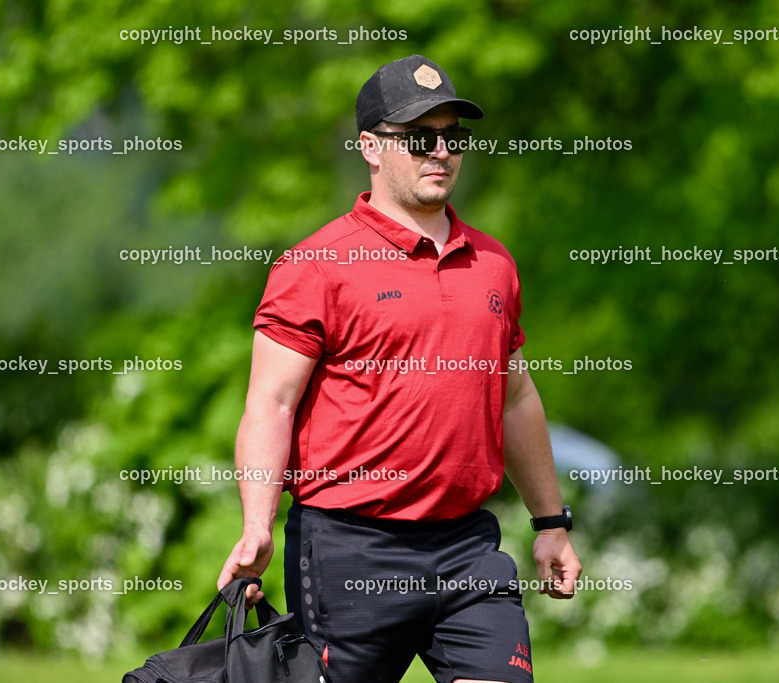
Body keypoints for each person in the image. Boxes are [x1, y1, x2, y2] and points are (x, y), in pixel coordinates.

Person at [218, 54, 581, 683]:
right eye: (419, 138)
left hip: (468, 547)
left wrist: (551, 523)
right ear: (371, 147)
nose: (440, 152)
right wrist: (258, 525)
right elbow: (270, 405)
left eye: (452, 137)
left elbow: (515, 396)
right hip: (350, 547)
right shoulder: (316, 265)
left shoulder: (494, 264)